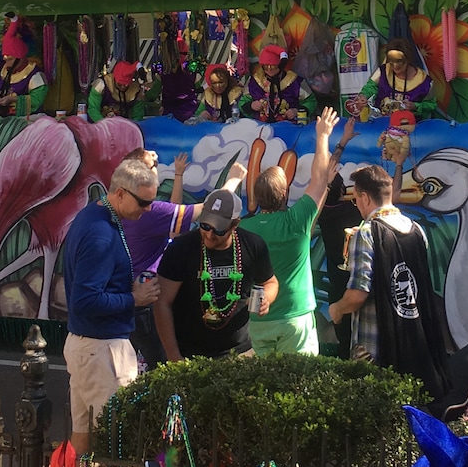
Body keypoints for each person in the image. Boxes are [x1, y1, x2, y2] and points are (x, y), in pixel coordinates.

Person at [61, 154, 162, 467]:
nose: (146, 212)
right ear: (119, 193)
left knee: (86, 453)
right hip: (103, 351)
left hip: (87, 349)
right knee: (111, 460)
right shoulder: (103, 234)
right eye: (142, 204)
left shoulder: (94, 216)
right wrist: (134, 299)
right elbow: (85, 300)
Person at [328, 164, 450, 401]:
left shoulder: (366, 232)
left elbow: (357, 295)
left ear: (364, 197)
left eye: (356, 200)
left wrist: (336, 309)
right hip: (412, 342)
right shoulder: (416, 230)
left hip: (374, 350)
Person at [247, 107, 341, 356]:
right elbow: (318, 180)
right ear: (285, 194)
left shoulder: (243, 229)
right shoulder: (296, 222)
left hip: (258, 321)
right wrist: (322, 136)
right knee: (299, 388)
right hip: (295, 319)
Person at [154, 188, 278, 361]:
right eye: (205, 225)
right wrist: (173, 354)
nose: (210, 234)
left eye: (219, 230)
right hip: (189, 354)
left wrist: (267, 299)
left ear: (235, 224)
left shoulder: (253, 245)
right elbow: (162, 303)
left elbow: (271, 282)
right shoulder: (181, 248)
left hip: (239, 352)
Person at [120, 149, 199, 368]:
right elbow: (196, 212)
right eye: (152, 165)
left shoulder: (127, 209)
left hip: (137, 296)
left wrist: (178, 175)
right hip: (146, 302)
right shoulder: (147, 214)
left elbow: (172, 214)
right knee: (160, 363)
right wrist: (232, 182)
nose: (156, 164)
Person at [358, 37, 436, 119]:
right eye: (391, 61)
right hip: (382, 124)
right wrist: (364, 96)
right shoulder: (383, 71)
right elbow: (370, 87)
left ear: (408, 59)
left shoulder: (424, 82)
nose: (395, 66)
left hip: (410, 127)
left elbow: (431, 105)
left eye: (399, 61)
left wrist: (415, 106)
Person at [241, 44, 316, 123]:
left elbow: (311, 102)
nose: (269, 70)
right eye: (266, 66)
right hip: (260, 129)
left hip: (289, 128)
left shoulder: (296, 82)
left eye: (273, 66)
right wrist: (251, 106)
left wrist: (296, 111)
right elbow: (242, 103)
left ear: (280, 66)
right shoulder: (254, 81)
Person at [0, 20, 48, 117]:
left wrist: (14, 99)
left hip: (28, 121)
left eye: (10, 59)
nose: (6, 63)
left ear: (20, 58)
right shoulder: (2, 69)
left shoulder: (34, 74)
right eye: (5, 59)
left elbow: (37, 100)